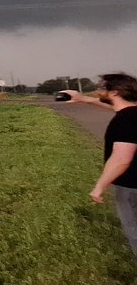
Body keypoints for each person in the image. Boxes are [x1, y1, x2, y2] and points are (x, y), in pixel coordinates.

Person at [64, 73, 137, 257]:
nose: (98, 90)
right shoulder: (132, 113)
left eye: (102, 88)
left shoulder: (124, 121)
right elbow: (114, 108)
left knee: (134, 229)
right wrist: (83, 99)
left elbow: (122, 159)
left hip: (132, 187)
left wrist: (99, 186)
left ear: (114, 92)